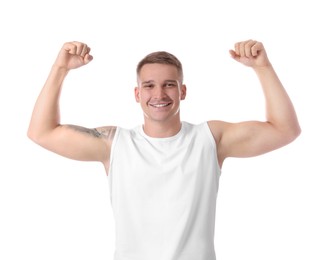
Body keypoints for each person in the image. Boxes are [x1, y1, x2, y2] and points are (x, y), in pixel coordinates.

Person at [27, 39, 301, 260]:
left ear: (182, 91)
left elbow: (284, 130)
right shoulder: (113, 144)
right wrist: (60, 69)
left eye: (169, 85)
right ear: (137, 94)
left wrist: (262, 67)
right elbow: (42, 132)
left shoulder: (210, 139)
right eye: (149, 86)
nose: (159, 94)